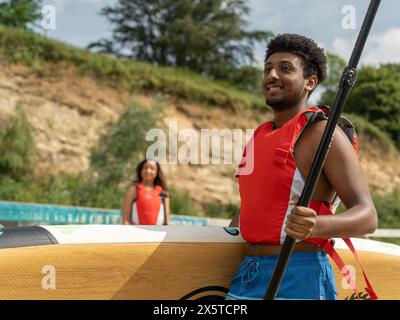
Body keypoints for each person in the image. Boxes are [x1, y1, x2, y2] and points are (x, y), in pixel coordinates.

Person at [226, 34, 378, 300]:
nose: (271, 75)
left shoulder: (324, 134)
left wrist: (316, 225)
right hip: (247, 274)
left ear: (310, 82)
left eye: (285, 68)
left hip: (299, 275)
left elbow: (367, 217)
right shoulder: (260, 135)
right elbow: (258, 204)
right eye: (268, 69)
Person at [122, 159, 170, 225]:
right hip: (137, 233)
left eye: (152, 168)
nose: (148, 171)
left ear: (157, 172)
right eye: (145, 168)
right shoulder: (133, 190)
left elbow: (167, 221)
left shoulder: (163, 193)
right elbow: (125, 219)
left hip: (157, 233)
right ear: (141, 170)